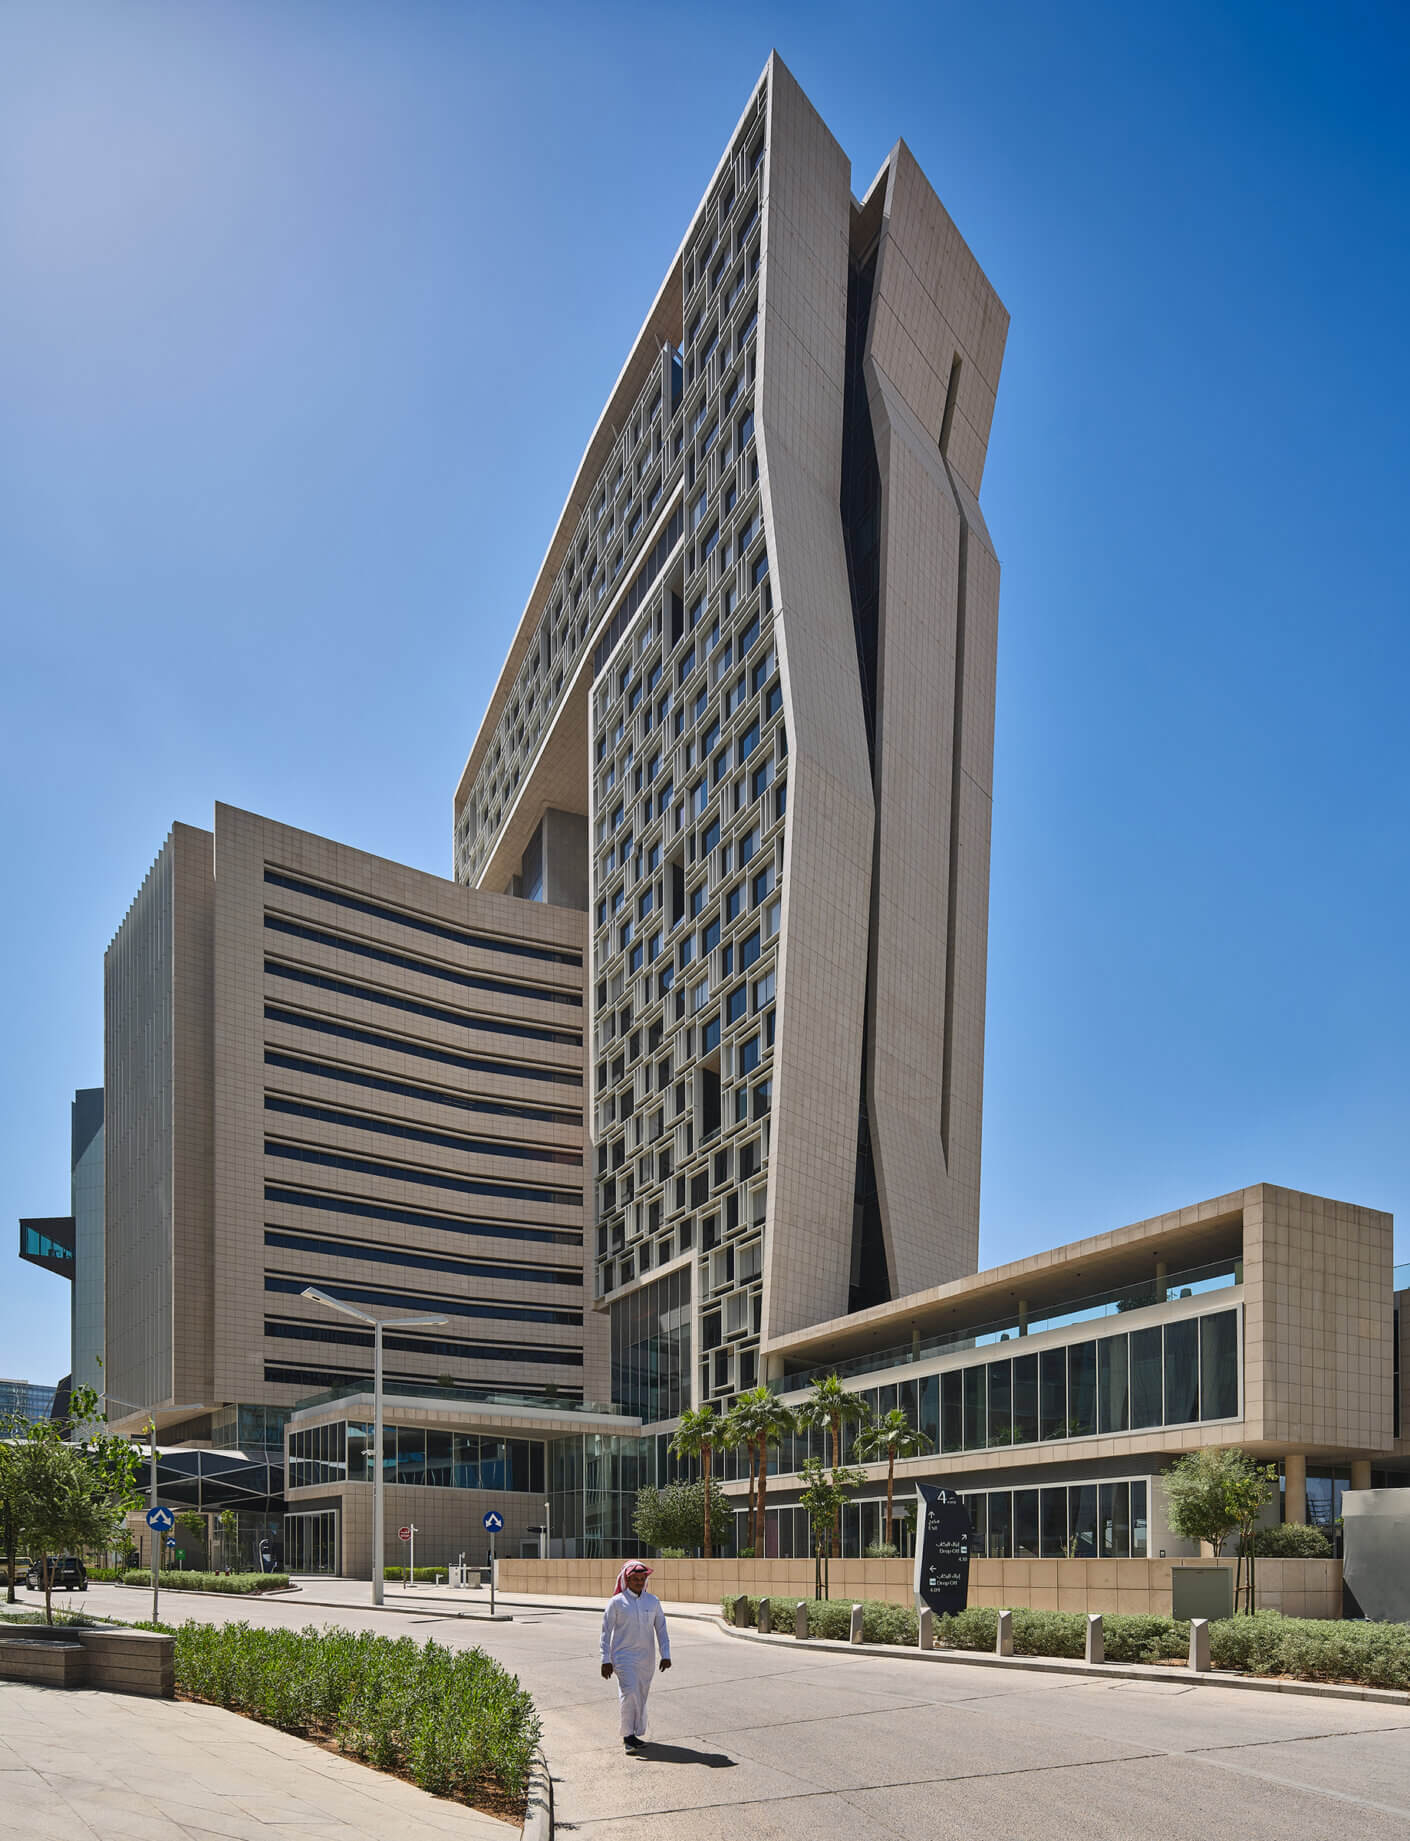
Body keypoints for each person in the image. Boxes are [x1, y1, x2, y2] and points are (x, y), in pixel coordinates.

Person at [600, 1561, 671, 1751]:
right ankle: (627, 1736)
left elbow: (661, 1629)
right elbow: (606, 1632)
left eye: (642, 1579)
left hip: (646, 1658)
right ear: (627, 1579)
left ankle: (634, 1732)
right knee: (629, 1692)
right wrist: (605, 1659)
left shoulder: (653, 1601)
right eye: (635, 1579)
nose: (639, 1582)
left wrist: (666, 1654)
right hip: (623, 1657)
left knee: (640, 1695)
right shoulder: (616, 1602)